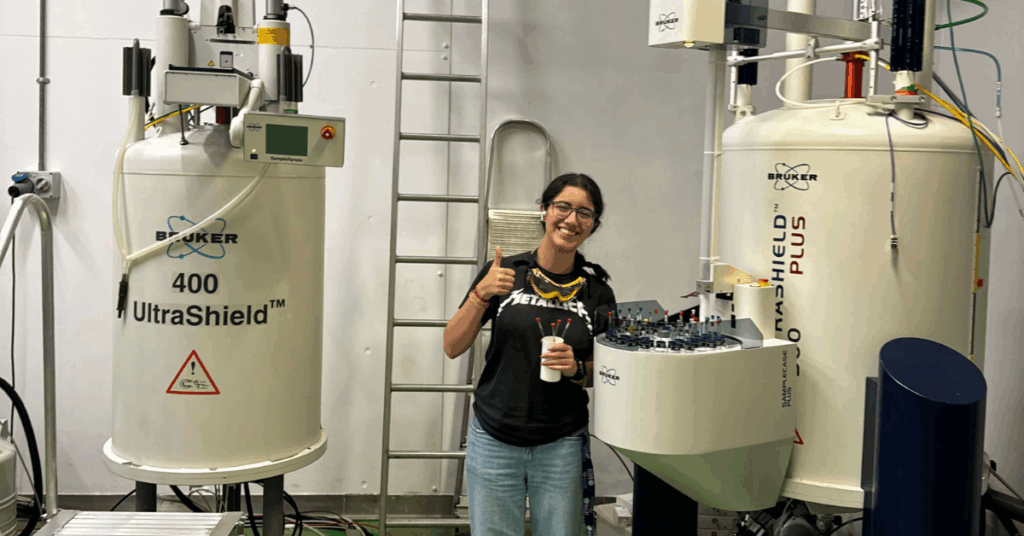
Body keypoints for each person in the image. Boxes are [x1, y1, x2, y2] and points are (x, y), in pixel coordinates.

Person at [443, 173, 616, 536]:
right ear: (544, 210)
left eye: (584, 213)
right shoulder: (504, 275)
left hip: (561, 445)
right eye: (563, 207)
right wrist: (481, 295)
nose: (571, 220)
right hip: (493, 437)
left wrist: (575, 369)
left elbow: (608, 370)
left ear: (593, 225)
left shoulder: (597, 293)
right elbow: (452, 346)